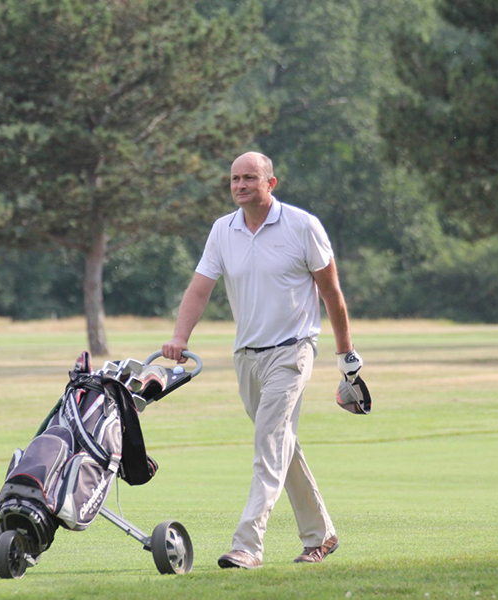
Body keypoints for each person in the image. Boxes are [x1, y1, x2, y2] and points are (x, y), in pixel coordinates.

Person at [162, 151, 363, 569]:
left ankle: (248, 545)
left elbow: (332, 293)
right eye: (235, 178)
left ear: (271, 183)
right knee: (281, 444)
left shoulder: (303, 226)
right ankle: (321, 535)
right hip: (247, 356)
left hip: (293, 350)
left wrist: (346, 356)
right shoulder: (223, 230)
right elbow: (199, 289)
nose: (240, 185)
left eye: (250, 178)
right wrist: (180, 337)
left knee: (268, 443)